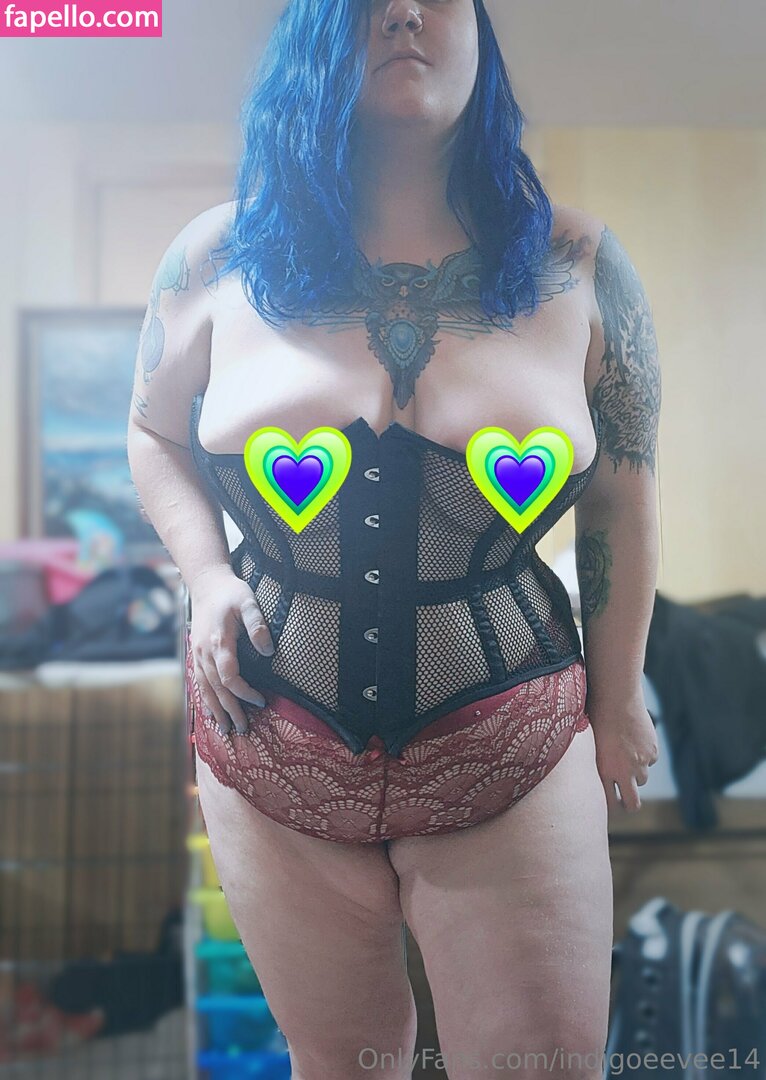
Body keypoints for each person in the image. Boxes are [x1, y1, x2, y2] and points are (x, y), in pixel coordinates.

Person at [127, 1, 661, 1076]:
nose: (407, 11)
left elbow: (621, 497)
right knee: (343, 1062)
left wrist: (617, 698)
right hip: (267, 739)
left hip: (511, 735)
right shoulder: (214, 256)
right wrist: (206, 575)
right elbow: (153, 432)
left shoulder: (581, 265)